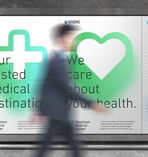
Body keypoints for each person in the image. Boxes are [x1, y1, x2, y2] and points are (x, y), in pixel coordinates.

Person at [35, 24, 106, 157]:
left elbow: (45, 85)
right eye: (71, 38)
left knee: (62, 146)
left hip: (58, 112)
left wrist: (38, 110)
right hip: (58, 112)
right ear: (62, 38)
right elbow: (66, 89)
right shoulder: (58, 60)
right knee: (70, 147)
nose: (73, 41)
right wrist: (91, 103)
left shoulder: (57, 58)